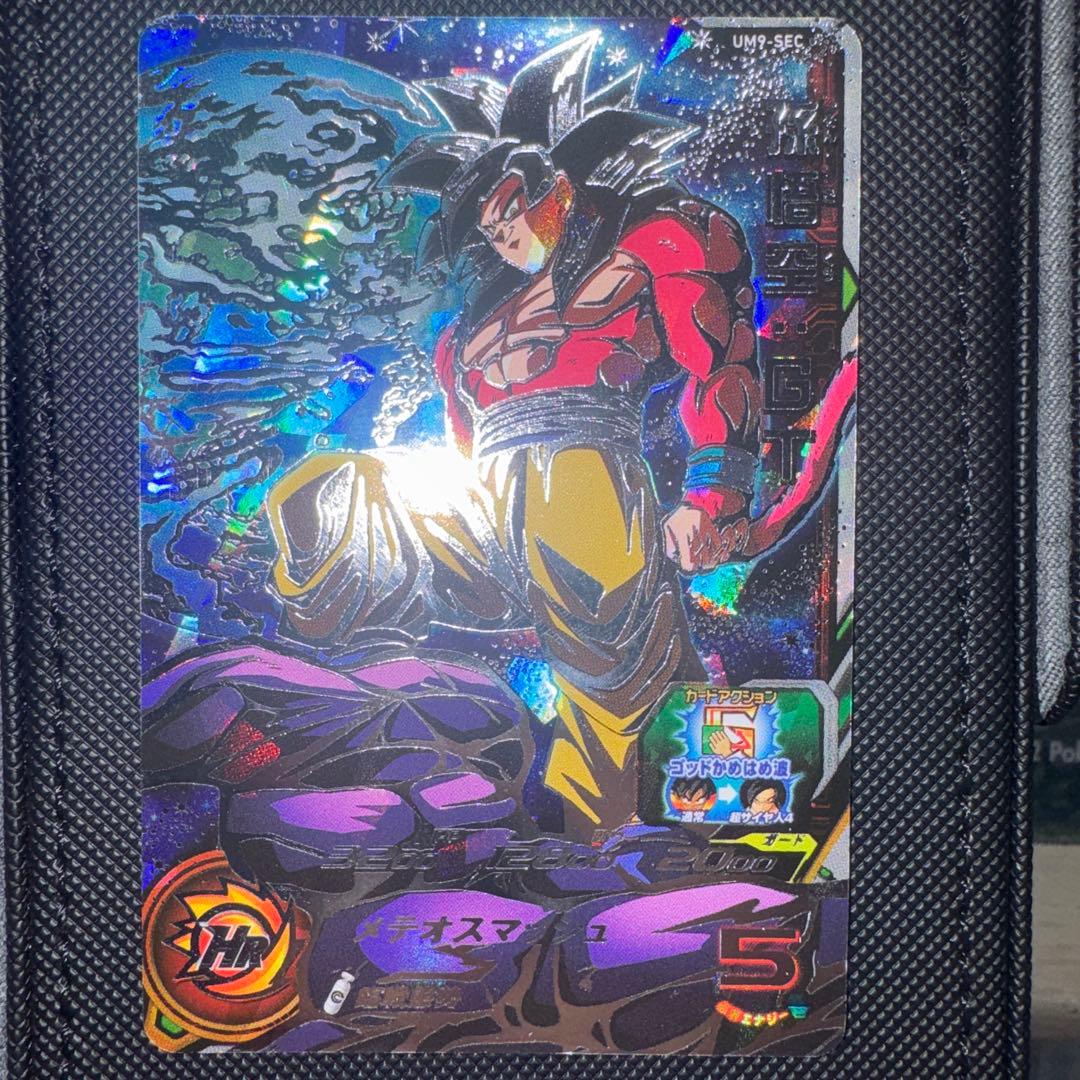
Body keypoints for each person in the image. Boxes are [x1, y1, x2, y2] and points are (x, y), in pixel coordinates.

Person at [266, 33, 852, 839]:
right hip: (484, 503)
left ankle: (639, 850)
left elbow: (719, 363)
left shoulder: (656, 239)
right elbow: (462, 442)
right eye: (485, 224)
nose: (500, 233)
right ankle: (369, 693)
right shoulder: (473, 325)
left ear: (559, 179)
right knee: (338, 489)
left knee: (614, 686)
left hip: (584, 478)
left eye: (508, 206)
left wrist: (711, 495)